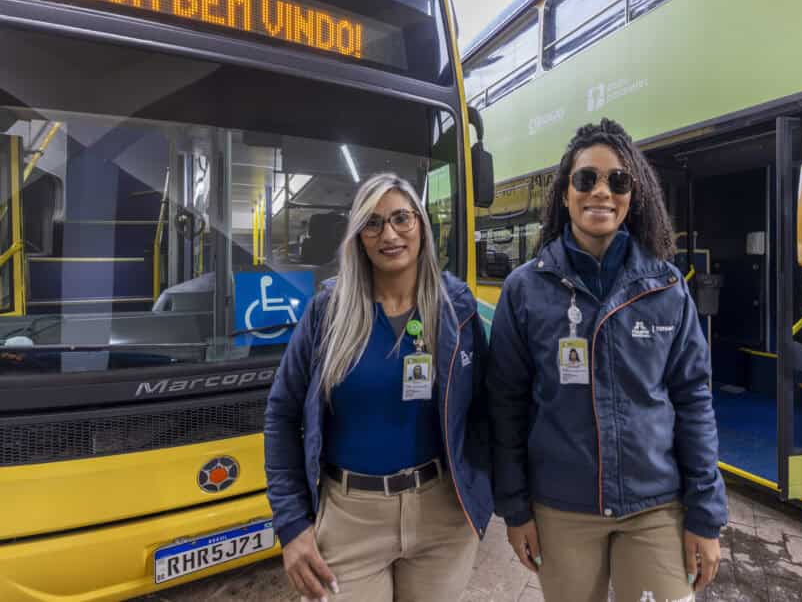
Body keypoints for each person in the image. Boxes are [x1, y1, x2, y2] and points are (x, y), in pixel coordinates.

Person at [487, 119, 727, 602]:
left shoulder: (665, 287)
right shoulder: (525, 291)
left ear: (633, 195)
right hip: (561, 510)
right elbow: (506, 406)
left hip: (654, 506)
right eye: (586, 179)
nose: (602, 191)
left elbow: (693, 400)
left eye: (617, 181)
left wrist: (705, 514)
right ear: (565, 193)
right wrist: (516, 509)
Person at [265, 173, 493, 602]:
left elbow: (484, 407)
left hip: (441, 519)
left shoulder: (455, 306)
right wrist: (292, 525)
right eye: (372, 223)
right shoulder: (327, 312)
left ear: (422, 225)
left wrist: (483, 489)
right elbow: (281, 415)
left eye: (401, 218)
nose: (389, 234)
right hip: (351, 520)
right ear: (359, 236)